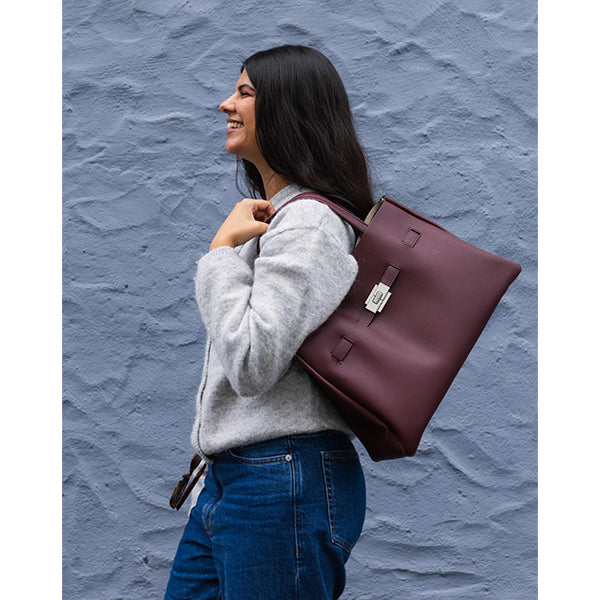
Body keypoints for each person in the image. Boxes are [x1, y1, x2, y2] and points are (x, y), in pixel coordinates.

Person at [164, 44, 376, 600]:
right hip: (239, 478)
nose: (225, 104)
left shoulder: (308, 224)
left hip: (279, 480)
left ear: (287, 108)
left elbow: (252, 361)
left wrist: (219, 254)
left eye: (244, 93)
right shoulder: (282, 220)